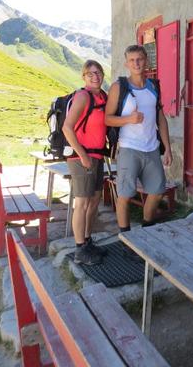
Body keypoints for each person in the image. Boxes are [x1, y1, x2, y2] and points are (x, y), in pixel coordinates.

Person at [105, 45, 172, 235]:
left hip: (152, 148)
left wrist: (167, 148)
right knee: (125, 196)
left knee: (157, 191)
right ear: (127, 63)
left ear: (146, 61)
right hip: (128, 148)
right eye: (132, 60)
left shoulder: (153, 86)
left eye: (140, 59)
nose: (136, 63)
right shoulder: (119, 87)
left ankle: (146, 227)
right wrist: (128, 119)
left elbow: (161, 118)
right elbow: (107, 118)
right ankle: (126, 237)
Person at [62, 60, 108, 265]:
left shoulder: (103, 97)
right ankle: (80, 249)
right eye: (90, 73)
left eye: (98, 72)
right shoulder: (83, 97)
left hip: (97, 156)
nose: (95, 76)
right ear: (83, 76)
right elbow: (67, 128)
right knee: (81, 203)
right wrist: (82, 155)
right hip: (82, 158)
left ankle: (87, 241)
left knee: (94, 200)